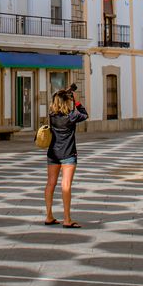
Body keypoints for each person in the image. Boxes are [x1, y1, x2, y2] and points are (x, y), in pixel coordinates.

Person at [44, 84, 88, 228]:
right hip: (68, 153)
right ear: (66, 101)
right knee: (66, 185)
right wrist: (76, 101)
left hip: (53, 153)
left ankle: (49, 215)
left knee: (51, 183)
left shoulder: (52, 116)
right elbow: (84, 114)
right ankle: (67, 219)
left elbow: (56, 100)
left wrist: (64, 93)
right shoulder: (72, 116)